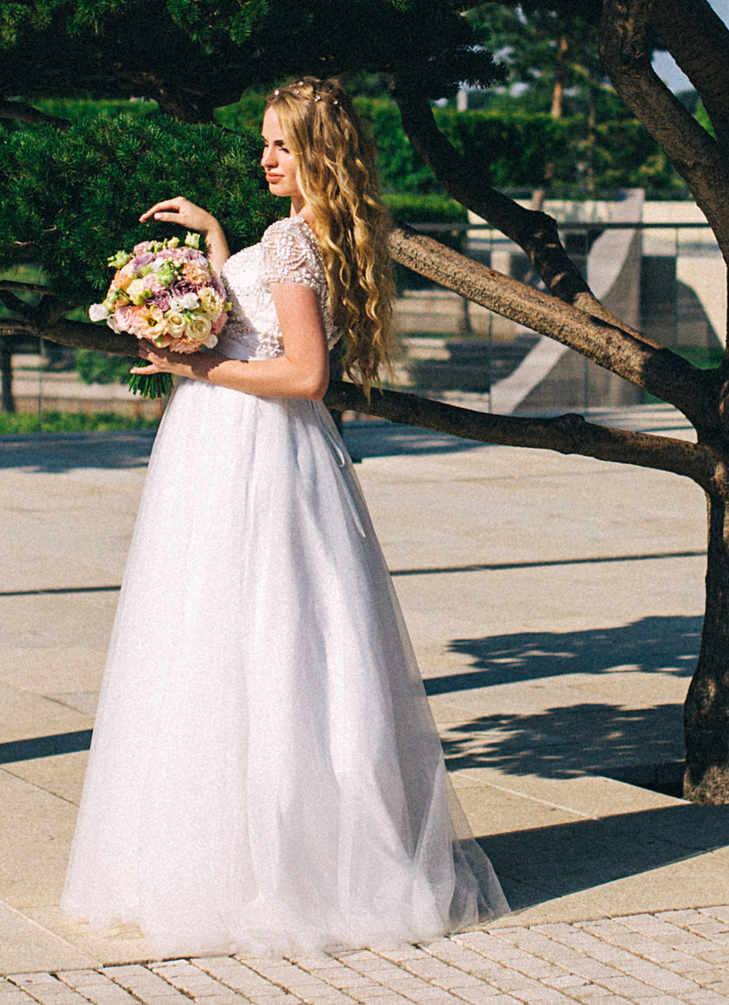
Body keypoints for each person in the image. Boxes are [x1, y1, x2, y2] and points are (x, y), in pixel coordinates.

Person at [58, 78, 508, 954]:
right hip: (251, 449)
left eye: (282, 146)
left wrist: (196, 371)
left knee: (251, 643)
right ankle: (259, 852)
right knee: (262, 641)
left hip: (256, 449)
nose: (265, 157)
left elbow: (302, 374)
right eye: (263, 143)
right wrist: (214, 247)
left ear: (318, 154)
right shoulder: (309, 234)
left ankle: (264, 868)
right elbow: (263, 317)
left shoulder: (293, 238)